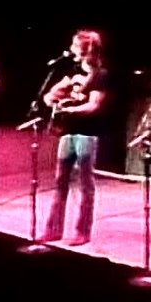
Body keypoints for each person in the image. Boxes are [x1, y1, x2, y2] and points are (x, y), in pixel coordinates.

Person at [40, 30, 110, 246]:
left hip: (87, 133)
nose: (71, 50)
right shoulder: (73, 71)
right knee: (60, 180)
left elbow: (93, 105)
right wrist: (52, 98)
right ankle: (53, 229)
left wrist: (70, 110)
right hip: (67, 131)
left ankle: (82, 231)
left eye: (75, 46)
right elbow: (52, 94)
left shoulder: (100, 75)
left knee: (85, 183)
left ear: (87, 50)